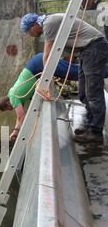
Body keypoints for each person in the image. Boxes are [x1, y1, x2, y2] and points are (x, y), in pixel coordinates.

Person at [20, 13, 108, 143]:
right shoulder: (50, 23)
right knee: (83, 92)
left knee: (93, 90)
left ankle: (96, 132)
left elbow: (47, 56)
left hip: (94, 47)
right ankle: (90, 125)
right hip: (86, 50)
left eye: (28, 31)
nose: (30, 35)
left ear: (33, 26)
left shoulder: (48, 24)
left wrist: (47, 85)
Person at [0, 52, 80, 142]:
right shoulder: (16, 95)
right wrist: (16, 132)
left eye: (8, 108)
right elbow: (19, 118)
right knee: (70, 69)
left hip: (38, 64)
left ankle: (94, 69)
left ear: (7, 103)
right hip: (36, 62)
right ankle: (90, 66)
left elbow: (21, 116)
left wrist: (26, 135)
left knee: (71, 73)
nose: (11, 109)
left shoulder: (13, 97)